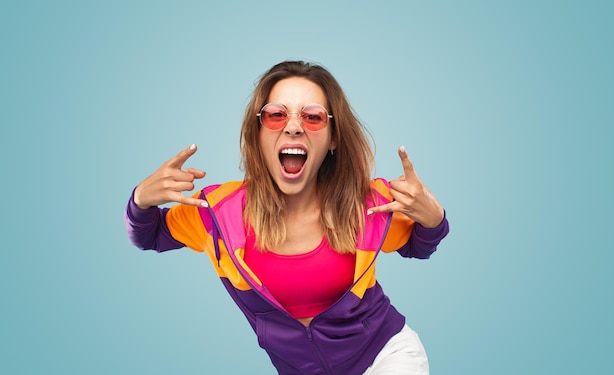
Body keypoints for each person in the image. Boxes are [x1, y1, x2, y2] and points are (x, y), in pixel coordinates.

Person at [124, 60, 449, 375]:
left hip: (385, 355)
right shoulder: (216, 214)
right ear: (259, 135)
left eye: (313, 117)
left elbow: (417, 246)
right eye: (276, 115)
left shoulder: (368, 203)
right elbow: (150, 236)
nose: (293, 126)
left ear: (333, 139)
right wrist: (140, 200)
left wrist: (435, 219)